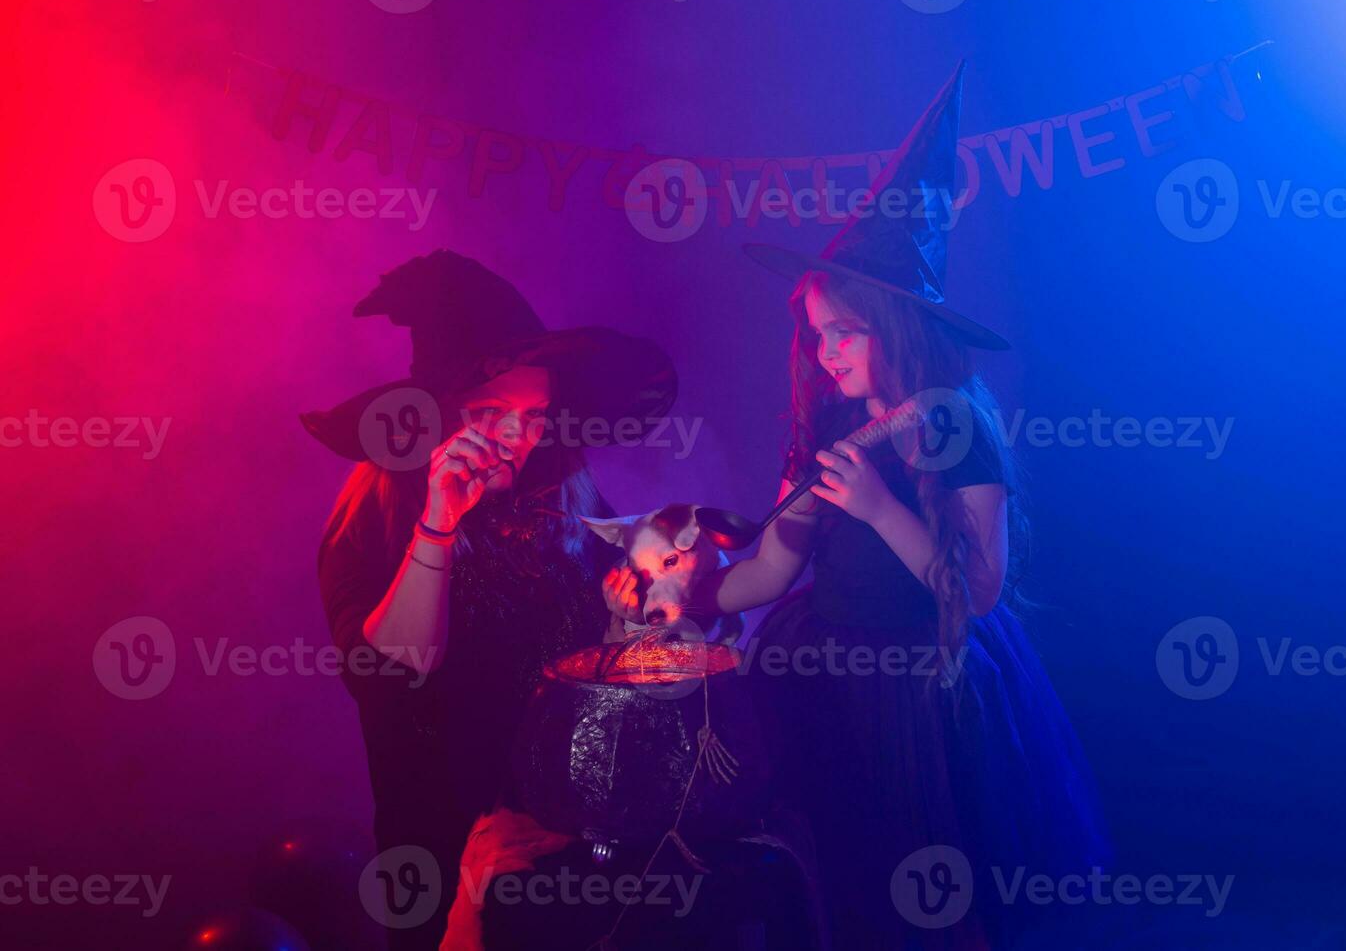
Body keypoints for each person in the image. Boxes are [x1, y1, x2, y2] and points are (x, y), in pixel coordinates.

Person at [693, 66, 1111, 949]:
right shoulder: (827, 426)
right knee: (838, 879)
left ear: (896, 324)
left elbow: (982, 588)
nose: (826, 352)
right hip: (825, 679)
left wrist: (881, 506)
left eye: (843, 333)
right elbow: (773, 564)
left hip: (924, 688)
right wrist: (690, 594)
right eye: (817, 336)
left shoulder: (958, 424)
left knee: (928, 891)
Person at [304, 250, 677, 950]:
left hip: (566, 832)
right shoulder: (375, 511)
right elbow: (395, 673)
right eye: (490, 412)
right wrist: (439, 523)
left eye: (535, 414)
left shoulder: (564, 490)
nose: (518, 438)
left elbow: (606, 662)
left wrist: (634, 615)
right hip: (445, 848)